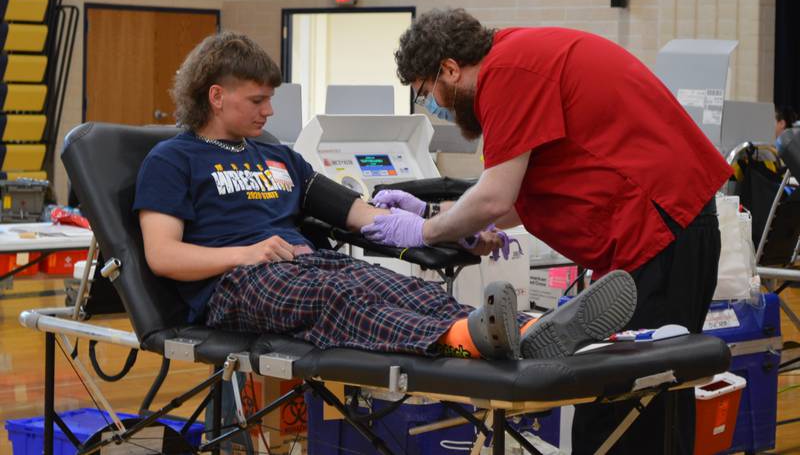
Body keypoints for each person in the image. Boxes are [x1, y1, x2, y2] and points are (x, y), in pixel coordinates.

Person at [133, 31, 635, 365]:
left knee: (383, 282)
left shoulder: (281, 158)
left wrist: (446, 227)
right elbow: (162, 255)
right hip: (234, 284)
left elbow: (359, 214)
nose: (269, 111)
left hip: (303, 266)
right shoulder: (174, 160)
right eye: (257, 100)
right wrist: (246, 252)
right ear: (216, 96)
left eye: (271, 98)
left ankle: (541, 328)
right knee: (336, 297)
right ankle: (468, 340)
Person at [363, 9, 732, 454]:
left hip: (660, 227)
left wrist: (424, 230)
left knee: (624, 400)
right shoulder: (520, 56)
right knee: (655, 399)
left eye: (426, 93)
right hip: (667, 225)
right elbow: (518, 198)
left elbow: (495, 198)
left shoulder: (505, 73)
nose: (433, 106)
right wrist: (441, 212)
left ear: (450, 69)